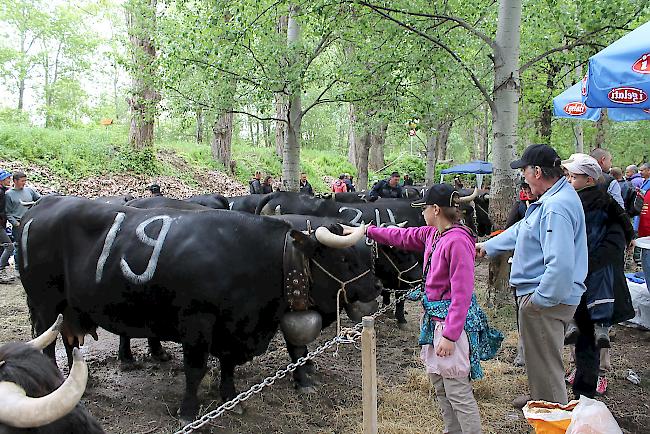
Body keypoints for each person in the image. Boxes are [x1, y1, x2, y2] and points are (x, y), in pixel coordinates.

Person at [366, 183, 501, 434]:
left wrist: (450, 336)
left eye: (424, 208)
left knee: (458, 391)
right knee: (440, 386)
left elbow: (462, 294)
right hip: (435, 320)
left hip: (450, 325)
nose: (422, 214)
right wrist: (368, 230)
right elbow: (401, 237)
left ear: (436, 209)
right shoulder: (433, 234)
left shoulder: (458, 241)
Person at [476, 144, 587, 407]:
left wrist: (539, 300)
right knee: (542, 358)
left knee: (547, 363)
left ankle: (551, 410)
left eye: (524, 170)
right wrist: (487, 246)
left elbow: (559, 265)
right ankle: (542, 398)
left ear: (537, 171)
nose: (523, 177)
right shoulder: (552, 200)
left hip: (546, 299)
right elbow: (523, 230)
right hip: (547, 297)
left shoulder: (556, 208)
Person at [562, 154, 634, 399]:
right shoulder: (586, 201)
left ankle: (588, 388)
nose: (570, 181)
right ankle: (584, 385)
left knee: (586, 325)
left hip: (590, 272)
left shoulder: (590, 203)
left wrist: (584, 262)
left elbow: (617, 237)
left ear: (590, 180)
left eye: (574, 176)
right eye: (569, 176)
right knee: (586, 325)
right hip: (586, 272)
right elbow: (624, 223)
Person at [0, 170, 15, 283]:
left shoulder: (3, 191)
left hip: (2, 224)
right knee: (9, 246)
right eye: (7, 179)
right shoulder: (0, 192)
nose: (9, 180)